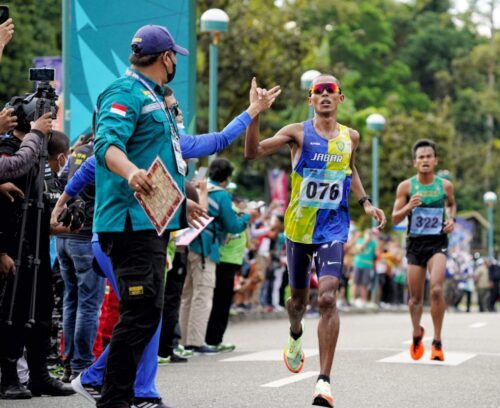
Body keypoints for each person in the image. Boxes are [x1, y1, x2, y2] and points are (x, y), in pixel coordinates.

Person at [244, 75, 386, 407]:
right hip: (298, 229)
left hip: (333, 227)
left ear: (340, 99)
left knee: (327, 298)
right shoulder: (297, 132)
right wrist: (255, 112)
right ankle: (295, 332)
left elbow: (350, 172)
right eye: (317, 92)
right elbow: (252, 153)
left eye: (330, 91)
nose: (324, 95)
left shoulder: (351, 136)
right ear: (310, 100)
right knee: (298, 302)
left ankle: (324, 381)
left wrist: (366, 202)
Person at [392, 139, 456, 362]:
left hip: (437, 242)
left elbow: (451, 205)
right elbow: (394, 218)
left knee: (437, 289)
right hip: (415, 244)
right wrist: (409, 206)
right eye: (421, 157)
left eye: (429, 156)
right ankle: (417, 332)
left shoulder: (445, 185)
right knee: (415, 299)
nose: (425, 160)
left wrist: (452, 219)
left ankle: (437, 341)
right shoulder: (406, 187)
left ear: (435, 160)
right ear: (415, 162)